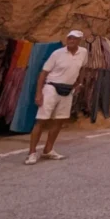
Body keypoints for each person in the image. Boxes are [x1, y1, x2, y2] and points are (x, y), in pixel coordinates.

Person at [25, 30, 88, 165]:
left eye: (75, 39)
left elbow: (83, 67)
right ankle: (32, 153)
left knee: (59, 120)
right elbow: (43, 73)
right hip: (52, 87)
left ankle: (48, 149)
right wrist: (38, 93)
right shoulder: (57, 54)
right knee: (41, 120)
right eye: (69, 38)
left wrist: (80, 82)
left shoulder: (83, 52)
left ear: (79, 41)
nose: (71, 40)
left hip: (68, 89)